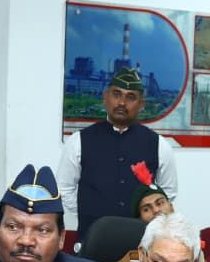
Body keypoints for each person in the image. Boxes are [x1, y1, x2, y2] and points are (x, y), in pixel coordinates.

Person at [56, 67, 179, 238]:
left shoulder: (158, 144)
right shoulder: (79, 141)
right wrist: (89, 211)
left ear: (141, 104)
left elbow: (167, 193)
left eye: (130, 97)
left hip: (141, 240)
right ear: (105, 97)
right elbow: (63, 189)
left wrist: (147, 216)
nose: (122, 102)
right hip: (93, 239)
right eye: (116, 94)